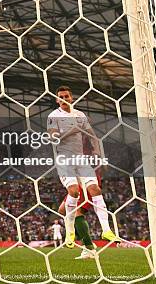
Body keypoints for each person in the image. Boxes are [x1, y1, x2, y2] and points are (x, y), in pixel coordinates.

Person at [47, 85, 120, 248]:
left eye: (67, 96)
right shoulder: (53, 116)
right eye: (61, 97)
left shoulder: (80, 115)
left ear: (71, 98)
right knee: (73, 192)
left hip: (81, 160)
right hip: (64, 160)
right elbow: (53, 139)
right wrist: (72, 131)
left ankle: (107, 230)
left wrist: (99, 153)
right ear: (57, 100)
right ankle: (71, 233)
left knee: (95, 190)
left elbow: (92, 135)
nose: (64, 99)